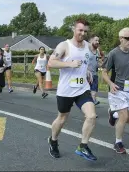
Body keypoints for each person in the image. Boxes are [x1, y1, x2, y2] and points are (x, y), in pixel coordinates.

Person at [47, 18, 97, 161]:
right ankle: (53, 140)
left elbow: (85, 61)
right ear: (74, 29)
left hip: (82, 89)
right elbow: (51, 62)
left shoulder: (87, 46)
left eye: (85, 31)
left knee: (91, 116)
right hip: (66, 90)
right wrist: (70, 63)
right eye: (80, 30)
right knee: (62, 119)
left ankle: (83, 146)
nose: (82, 33)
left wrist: (86, 70)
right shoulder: (64, 45)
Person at [101, 27, 129, 154]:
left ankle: (113, 114)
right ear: (121, 39)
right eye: (128, 38)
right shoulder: (113, 53)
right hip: (117, 89)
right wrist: (111, 83)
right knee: (124, 116)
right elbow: (104, 72)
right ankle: (118, 142)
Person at [87, 34, 103, 105]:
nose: (97, 42)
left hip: (95, 75)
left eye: (98, 41)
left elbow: (98, 63)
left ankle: (91, 111)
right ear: (90, 41)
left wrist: (103, 65)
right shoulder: (86, 50)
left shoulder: (97, 51)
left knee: (93, 93)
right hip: (86, 76)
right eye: (96, 40)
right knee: (86, 94)